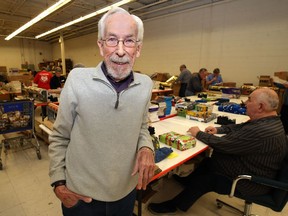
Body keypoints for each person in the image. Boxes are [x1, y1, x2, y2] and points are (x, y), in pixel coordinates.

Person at [48, 7, 155, 216]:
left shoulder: (145, 85)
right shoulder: (77, 80)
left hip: (125, 195)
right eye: (112, 39)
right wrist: (59, 183)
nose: (121, 50)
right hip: (81, 197)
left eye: (129, 41)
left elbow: (142, 126)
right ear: (101, 45)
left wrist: (146, 148)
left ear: (138, 48)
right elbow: (60, 136)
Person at [148, 88, 288, 215]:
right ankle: (189, 182)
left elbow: (224, 145)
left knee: (206, 180)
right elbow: (240, 127)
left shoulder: (261, 132)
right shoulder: (269, 121)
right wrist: (219, 129)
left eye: (249, 99)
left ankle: (176, 205)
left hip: (250, 182)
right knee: (207, 162)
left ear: (260, 106)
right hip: (255, 168)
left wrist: (199, 134)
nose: (245, 102)